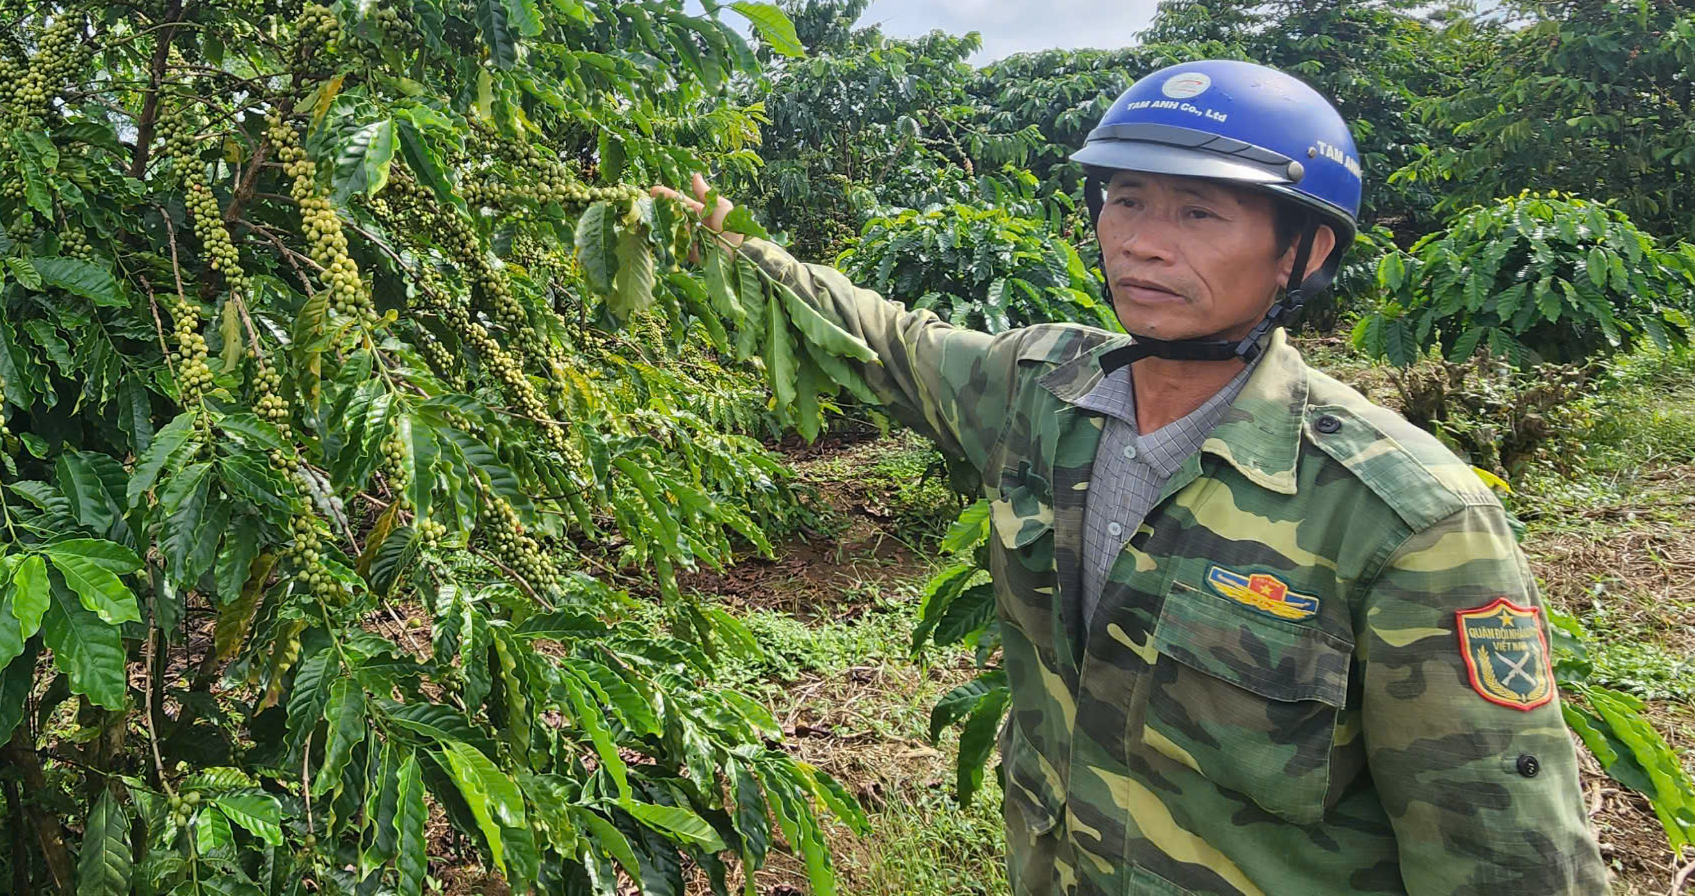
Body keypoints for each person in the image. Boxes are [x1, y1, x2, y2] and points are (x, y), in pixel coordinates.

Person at [657, 59, 1606, 895]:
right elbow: (889, 345)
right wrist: (731, 248)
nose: (1145, 241)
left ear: (1305, 251)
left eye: (1199, 212)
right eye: (1127, 199)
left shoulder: (1404, 517)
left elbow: (1504, 856)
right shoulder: (1040, 390)